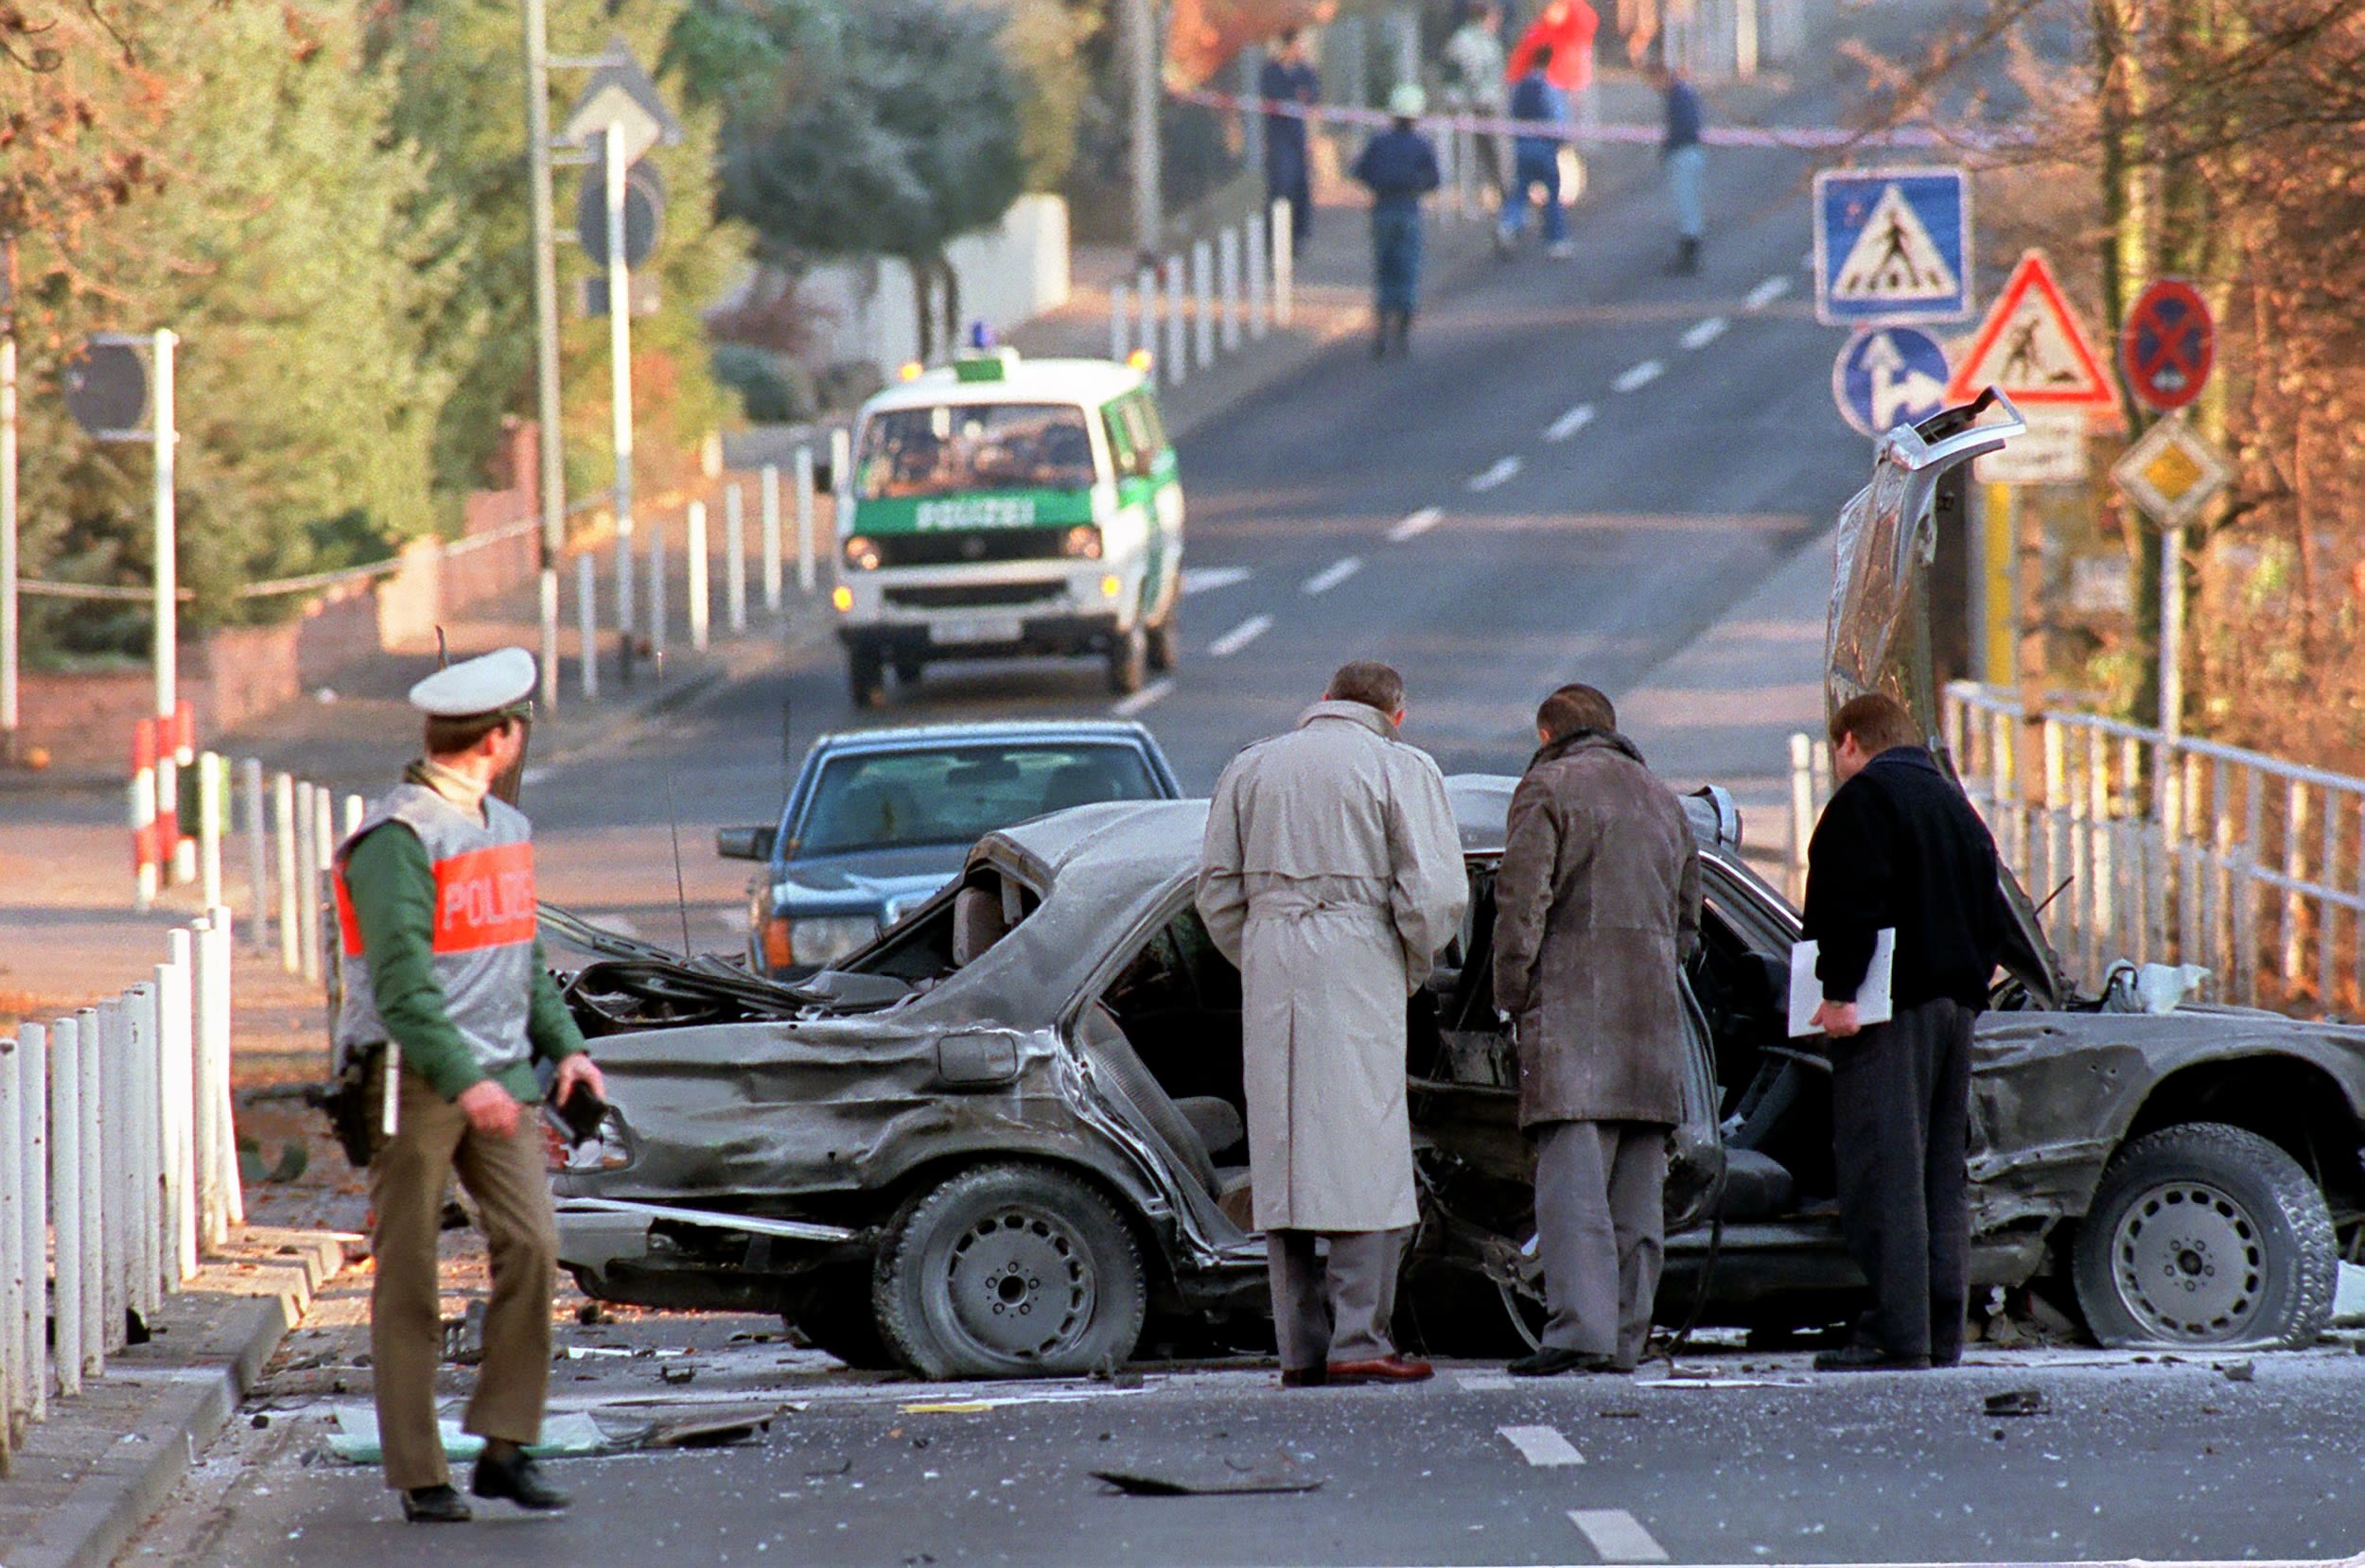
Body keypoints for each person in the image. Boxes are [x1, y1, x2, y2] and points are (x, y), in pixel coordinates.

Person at [332, 647, 604, 1521]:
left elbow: (521, 958)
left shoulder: (505, 829)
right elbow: (404, 987)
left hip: (499, 1075)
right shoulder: (398, 838)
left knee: (533, 1247)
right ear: (499, 737)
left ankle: (505, 1444)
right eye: (518, 725)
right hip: (412, 1078)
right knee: (409, 1272)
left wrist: (565, 1048)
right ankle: (421, 1473)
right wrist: (464, 1079)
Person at [1197, 661, 1467, 1388]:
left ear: (1322, 700)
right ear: (1395, 714)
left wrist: (1260, 949)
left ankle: (1300, 1350)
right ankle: (1360, 1337)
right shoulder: (1399, 767)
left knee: (1286, 1158)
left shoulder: (1252, 767)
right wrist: (1405, 962)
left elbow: (1216, 892)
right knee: (1365, 1151)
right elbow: (1435, 894)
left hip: (1273, 956)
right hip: (1358, 956)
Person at [1491, 685, 1700, 1377]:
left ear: (1547, 733)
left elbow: (1521, 905)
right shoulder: (1663, 800)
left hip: (1574, 1020)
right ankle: (1627, 1337)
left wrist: (1512, 994)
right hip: (1650, 1025)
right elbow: (1689, 922)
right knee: (1638, 1197)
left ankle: (1579, 1330)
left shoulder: (1547, 789)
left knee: (1572, 1191)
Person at [1802, 691, 2012, 1372]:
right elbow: (1995, 912)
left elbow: (1849, 905)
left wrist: (1837, 995)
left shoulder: (1865, 801)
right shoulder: (1956, 807)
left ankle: (1897, 1336)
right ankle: (1940, 1331)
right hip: (1958, 1008)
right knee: (1938, 1176)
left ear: (1849, 742)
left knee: (1884, 1170)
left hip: (1892, 1011)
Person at [1350, 84, 1443, 357]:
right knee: (1407, 270)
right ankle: (1402, 332)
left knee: (1384, 269)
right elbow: (1434, 179)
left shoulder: (1379, 143)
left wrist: (1379, 185)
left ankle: (1380, 328)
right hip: (1408, 209)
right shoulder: (1420, 145)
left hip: (1382, 209)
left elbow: (1359, 171)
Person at [1497, 44, 1574, 259]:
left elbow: (1511, 112)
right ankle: (1556, 241)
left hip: (1522, 145)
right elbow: (1559, 118)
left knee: (1520, 190)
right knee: (1552, 194)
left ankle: (1508, 226)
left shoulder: (1520, 85)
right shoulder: (1550, 86)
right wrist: (1563, 141)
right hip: (1545, 146)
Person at [1439, 2, 1510, 213]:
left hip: (1490, 106)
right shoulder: (1465, 40)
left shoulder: (1490, 40)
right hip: (1471, 107)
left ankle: (1502, 197)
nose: (1498, 22)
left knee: (1496, 157)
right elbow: (1464, 74)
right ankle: (1470, 202)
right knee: (1469, 156)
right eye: (1495, 17)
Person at [1260, 28, 1321, 250]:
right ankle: (1275, 237)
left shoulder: (1305, 70)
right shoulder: (1272, 71)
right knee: (1280, 187)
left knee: (1299, 186)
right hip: (1278, 138)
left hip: (1298, 137)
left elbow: (1312, 95)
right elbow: (1272, 97)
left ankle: (1298, 235)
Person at [1647, 59, 1706, 273]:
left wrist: (1668, 147)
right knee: (1688, 203)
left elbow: (1683, 127)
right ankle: (1689, 250)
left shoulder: (1678, 96)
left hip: (1684, 154)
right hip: (1689, 152)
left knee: (1687, 203)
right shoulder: (1680, 93)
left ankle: (1689, 254)